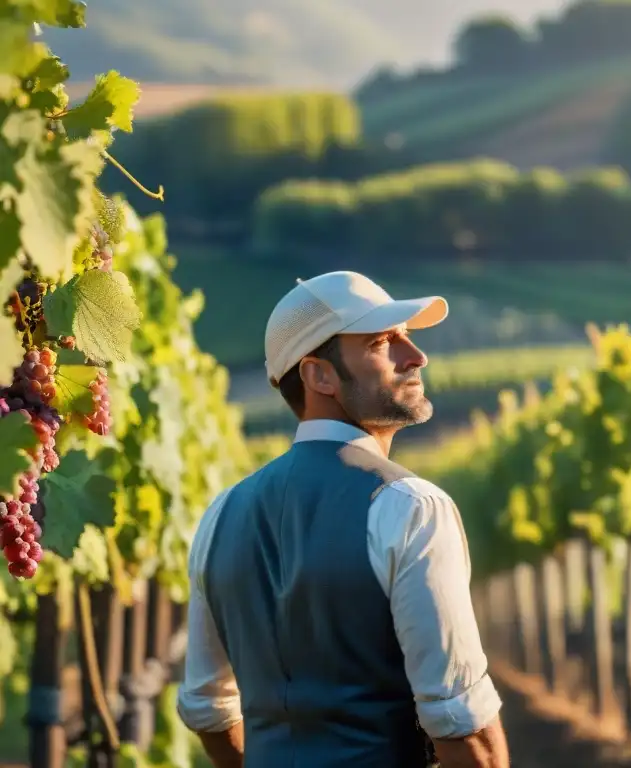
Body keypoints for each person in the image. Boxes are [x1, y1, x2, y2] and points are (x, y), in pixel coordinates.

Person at [176, 271, 510, 768]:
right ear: (319, 376)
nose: (415, 357)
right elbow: (465, 731)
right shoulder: (413, 508)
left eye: (408, 338)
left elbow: (207, 710)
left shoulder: (220, 516)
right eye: (382, 342)